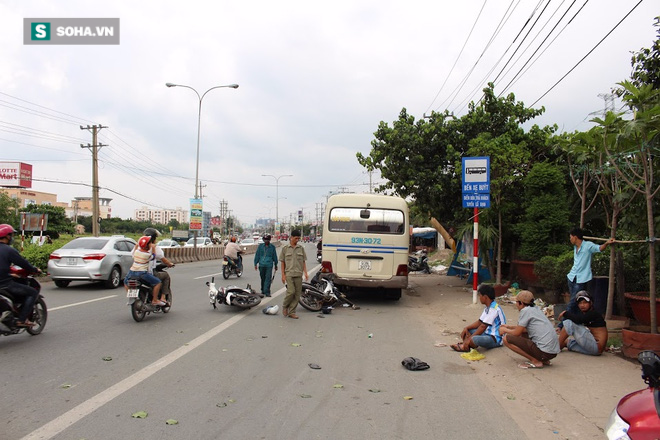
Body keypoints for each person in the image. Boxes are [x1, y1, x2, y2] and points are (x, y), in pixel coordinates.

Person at [500, 290, 560, 369]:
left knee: (506, 339)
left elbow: (516, 333)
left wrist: (505, 330)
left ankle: (535, 361)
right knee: (523, 333)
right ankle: (543, 359)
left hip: (544, 352)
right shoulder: (536, 309)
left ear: (521, 303)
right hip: (552, 353)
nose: (516, 305)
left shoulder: (525, 311)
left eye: (517, 303)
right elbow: (524, 329)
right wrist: (509, 327)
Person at [566, 228, 615, 316]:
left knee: (573, 301)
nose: (570, 239)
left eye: (571, 237)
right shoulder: (575, 247)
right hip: (572, 277)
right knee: (576, 301)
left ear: (575, 237)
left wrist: (607, 243)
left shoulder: (588, 245)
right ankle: (576, 319)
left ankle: (564, 321)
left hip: (581, 278)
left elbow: (599, 248)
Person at [0, 224, 41, 327]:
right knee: (32, 292)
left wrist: (9, 273)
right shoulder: (9, 250)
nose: (12, 238)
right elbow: (23, 263)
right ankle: (21, 320)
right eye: (11, 235)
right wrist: (34, 269)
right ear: (7, 236)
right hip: (4, 284)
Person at [451, 284, 507, 352]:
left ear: (485, 297)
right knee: (468, 331)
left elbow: (483, 326)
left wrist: (469, 339)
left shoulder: (494, 309)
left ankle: (465, 346)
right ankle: (466, 345)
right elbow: (479, 322)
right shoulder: (488, 307)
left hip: (495, 338)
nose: (479, 297)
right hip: (487, 333)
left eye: (480, 295)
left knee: (474, 339)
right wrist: (466, 328)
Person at [558, 291, 608, 355]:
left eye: (585, 303)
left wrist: (565, 313)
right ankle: (559, 345)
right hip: (596, 350)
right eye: (580, 303)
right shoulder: (584, 314)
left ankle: (556, 348)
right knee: (566, 342)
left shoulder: (594, 313)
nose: (582, 305)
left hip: (596, 346)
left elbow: (579, 320)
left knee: (569, 323)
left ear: (591, 303)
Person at [124, 234, 163, 306]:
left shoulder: (136, 252)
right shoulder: (147, 255)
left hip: (131, 272)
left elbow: (134, 252)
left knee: (126, 282)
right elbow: (154, 256)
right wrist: (153, 248)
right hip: (142, 274)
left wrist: (136, 246)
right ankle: (154, 300)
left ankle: (130, 295)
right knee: (158, 283)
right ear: (147, 246)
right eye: (150, 244)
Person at [279, 229, 308, 319]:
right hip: (289, 274)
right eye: (296, 238)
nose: (297, 240)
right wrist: (283, 275)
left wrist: (305, 273)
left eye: (298, 238)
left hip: (298, 274)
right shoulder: (285, 249)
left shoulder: (301, 248)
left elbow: (303, 262)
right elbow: (282, 262)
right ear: (291, 238)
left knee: (297, 294)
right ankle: (285, 305)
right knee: (291, 292)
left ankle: (292, 311)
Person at [144, 228, 175, 306]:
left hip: (135, 272)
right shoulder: (154, 247)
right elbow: (162, 258)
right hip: (148, 272)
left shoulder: (138, 247)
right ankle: (163, 297)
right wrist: (169, 264)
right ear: (154, 238)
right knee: (165, 276)